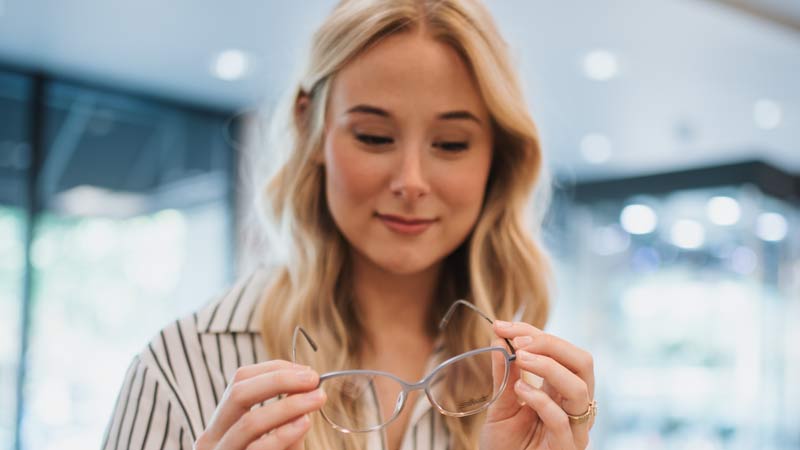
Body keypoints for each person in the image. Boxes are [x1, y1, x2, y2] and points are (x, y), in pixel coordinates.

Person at [101, 0, 597, 449]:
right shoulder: (182, 369)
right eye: (374, 136)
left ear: (498, 157)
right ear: (310, 128)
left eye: (450, 144)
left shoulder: (529, 386)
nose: (411, 182)